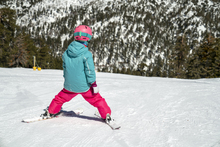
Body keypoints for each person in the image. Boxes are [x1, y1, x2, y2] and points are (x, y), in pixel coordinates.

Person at [41, 25, 112, 121]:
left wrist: (67, 79)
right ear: (88, 38)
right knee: (97, 99)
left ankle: (51, 111)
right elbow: (90, 71)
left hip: (69, 86)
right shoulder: (86, 54)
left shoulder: (66, 53)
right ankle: (106, 114)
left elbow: (65, 68)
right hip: (84, 87)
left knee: (59, 98)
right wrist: (93, 83)